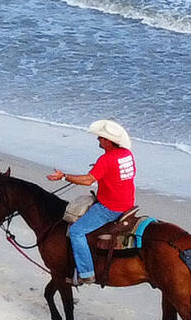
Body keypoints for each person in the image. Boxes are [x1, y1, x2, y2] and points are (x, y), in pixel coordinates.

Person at [48, 120, 139, 287]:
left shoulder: (106, 159)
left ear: (108, 141)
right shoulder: (127, 155)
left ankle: (86, 273)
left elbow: (89, 180)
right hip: (128, 205)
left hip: (110, 208)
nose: (98, 140)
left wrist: (64, 176)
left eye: (101, 138)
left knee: (76, 231)